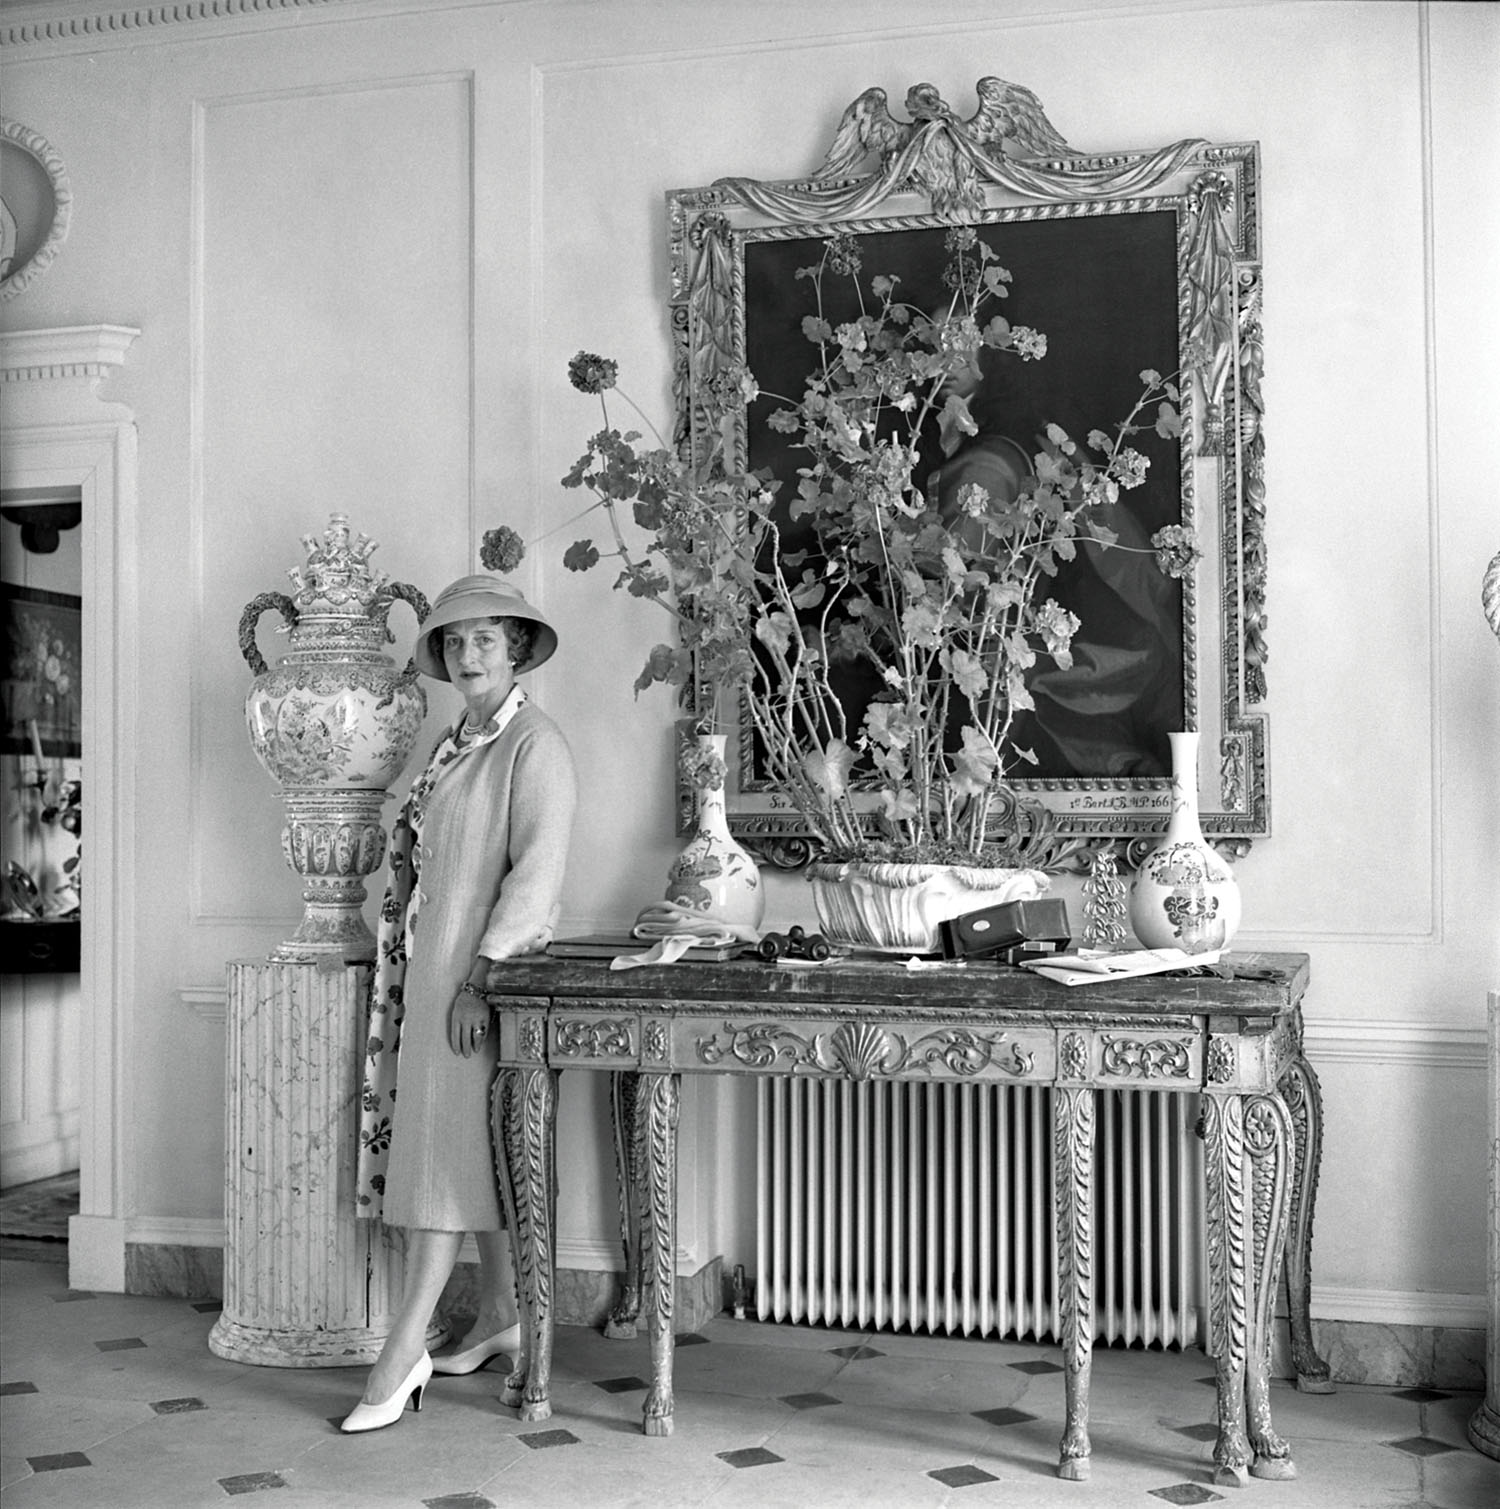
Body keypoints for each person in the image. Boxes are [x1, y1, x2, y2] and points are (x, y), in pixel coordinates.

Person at [342, 574, 577, 1434]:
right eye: (453, 641)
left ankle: (400, 1356)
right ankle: (500, 1316)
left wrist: (483, 976)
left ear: (515, 648)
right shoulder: (453, 744)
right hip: (425, 975)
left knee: (441, 1166)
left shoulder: (534, 745)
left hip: (474, 984)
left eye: (485, 638)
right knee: (468, 1155)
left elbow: (537, 872)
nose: (467, 654)